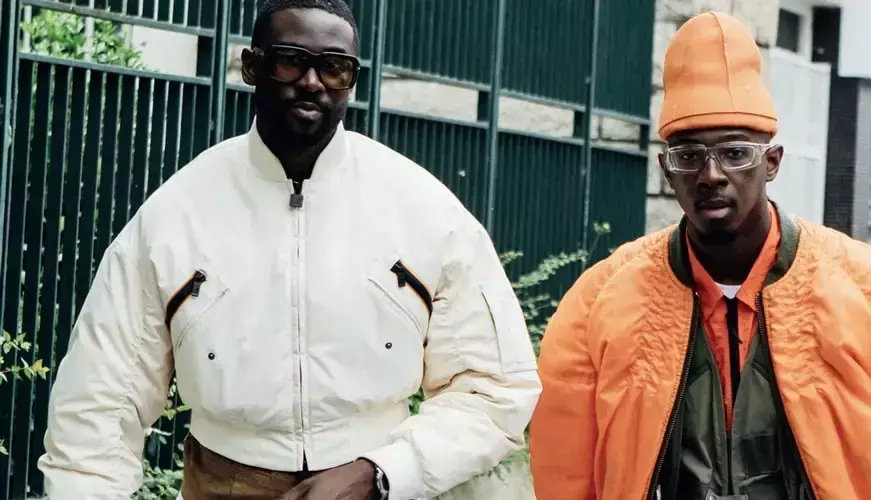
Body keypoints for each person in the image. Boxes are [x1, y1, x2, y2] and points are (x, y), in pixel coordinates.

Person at [37, 1, 541, 498]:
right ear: (251, 66)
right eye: (290, 59)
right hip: (223, 484)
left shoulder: (421, 208)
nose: (312, 81)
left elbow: (496, 387)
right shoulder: (176, 213)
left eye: (335, 67)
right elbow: (100, 401)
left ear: (353, 80)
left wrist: (382, 472)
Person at [528, 11, 871, 500]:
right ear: (666, 170)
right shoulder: (599, 304)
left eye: (734, 152)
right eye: (688, 155)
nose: (711, 175)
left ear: (772, 162)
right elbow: (566, 478)